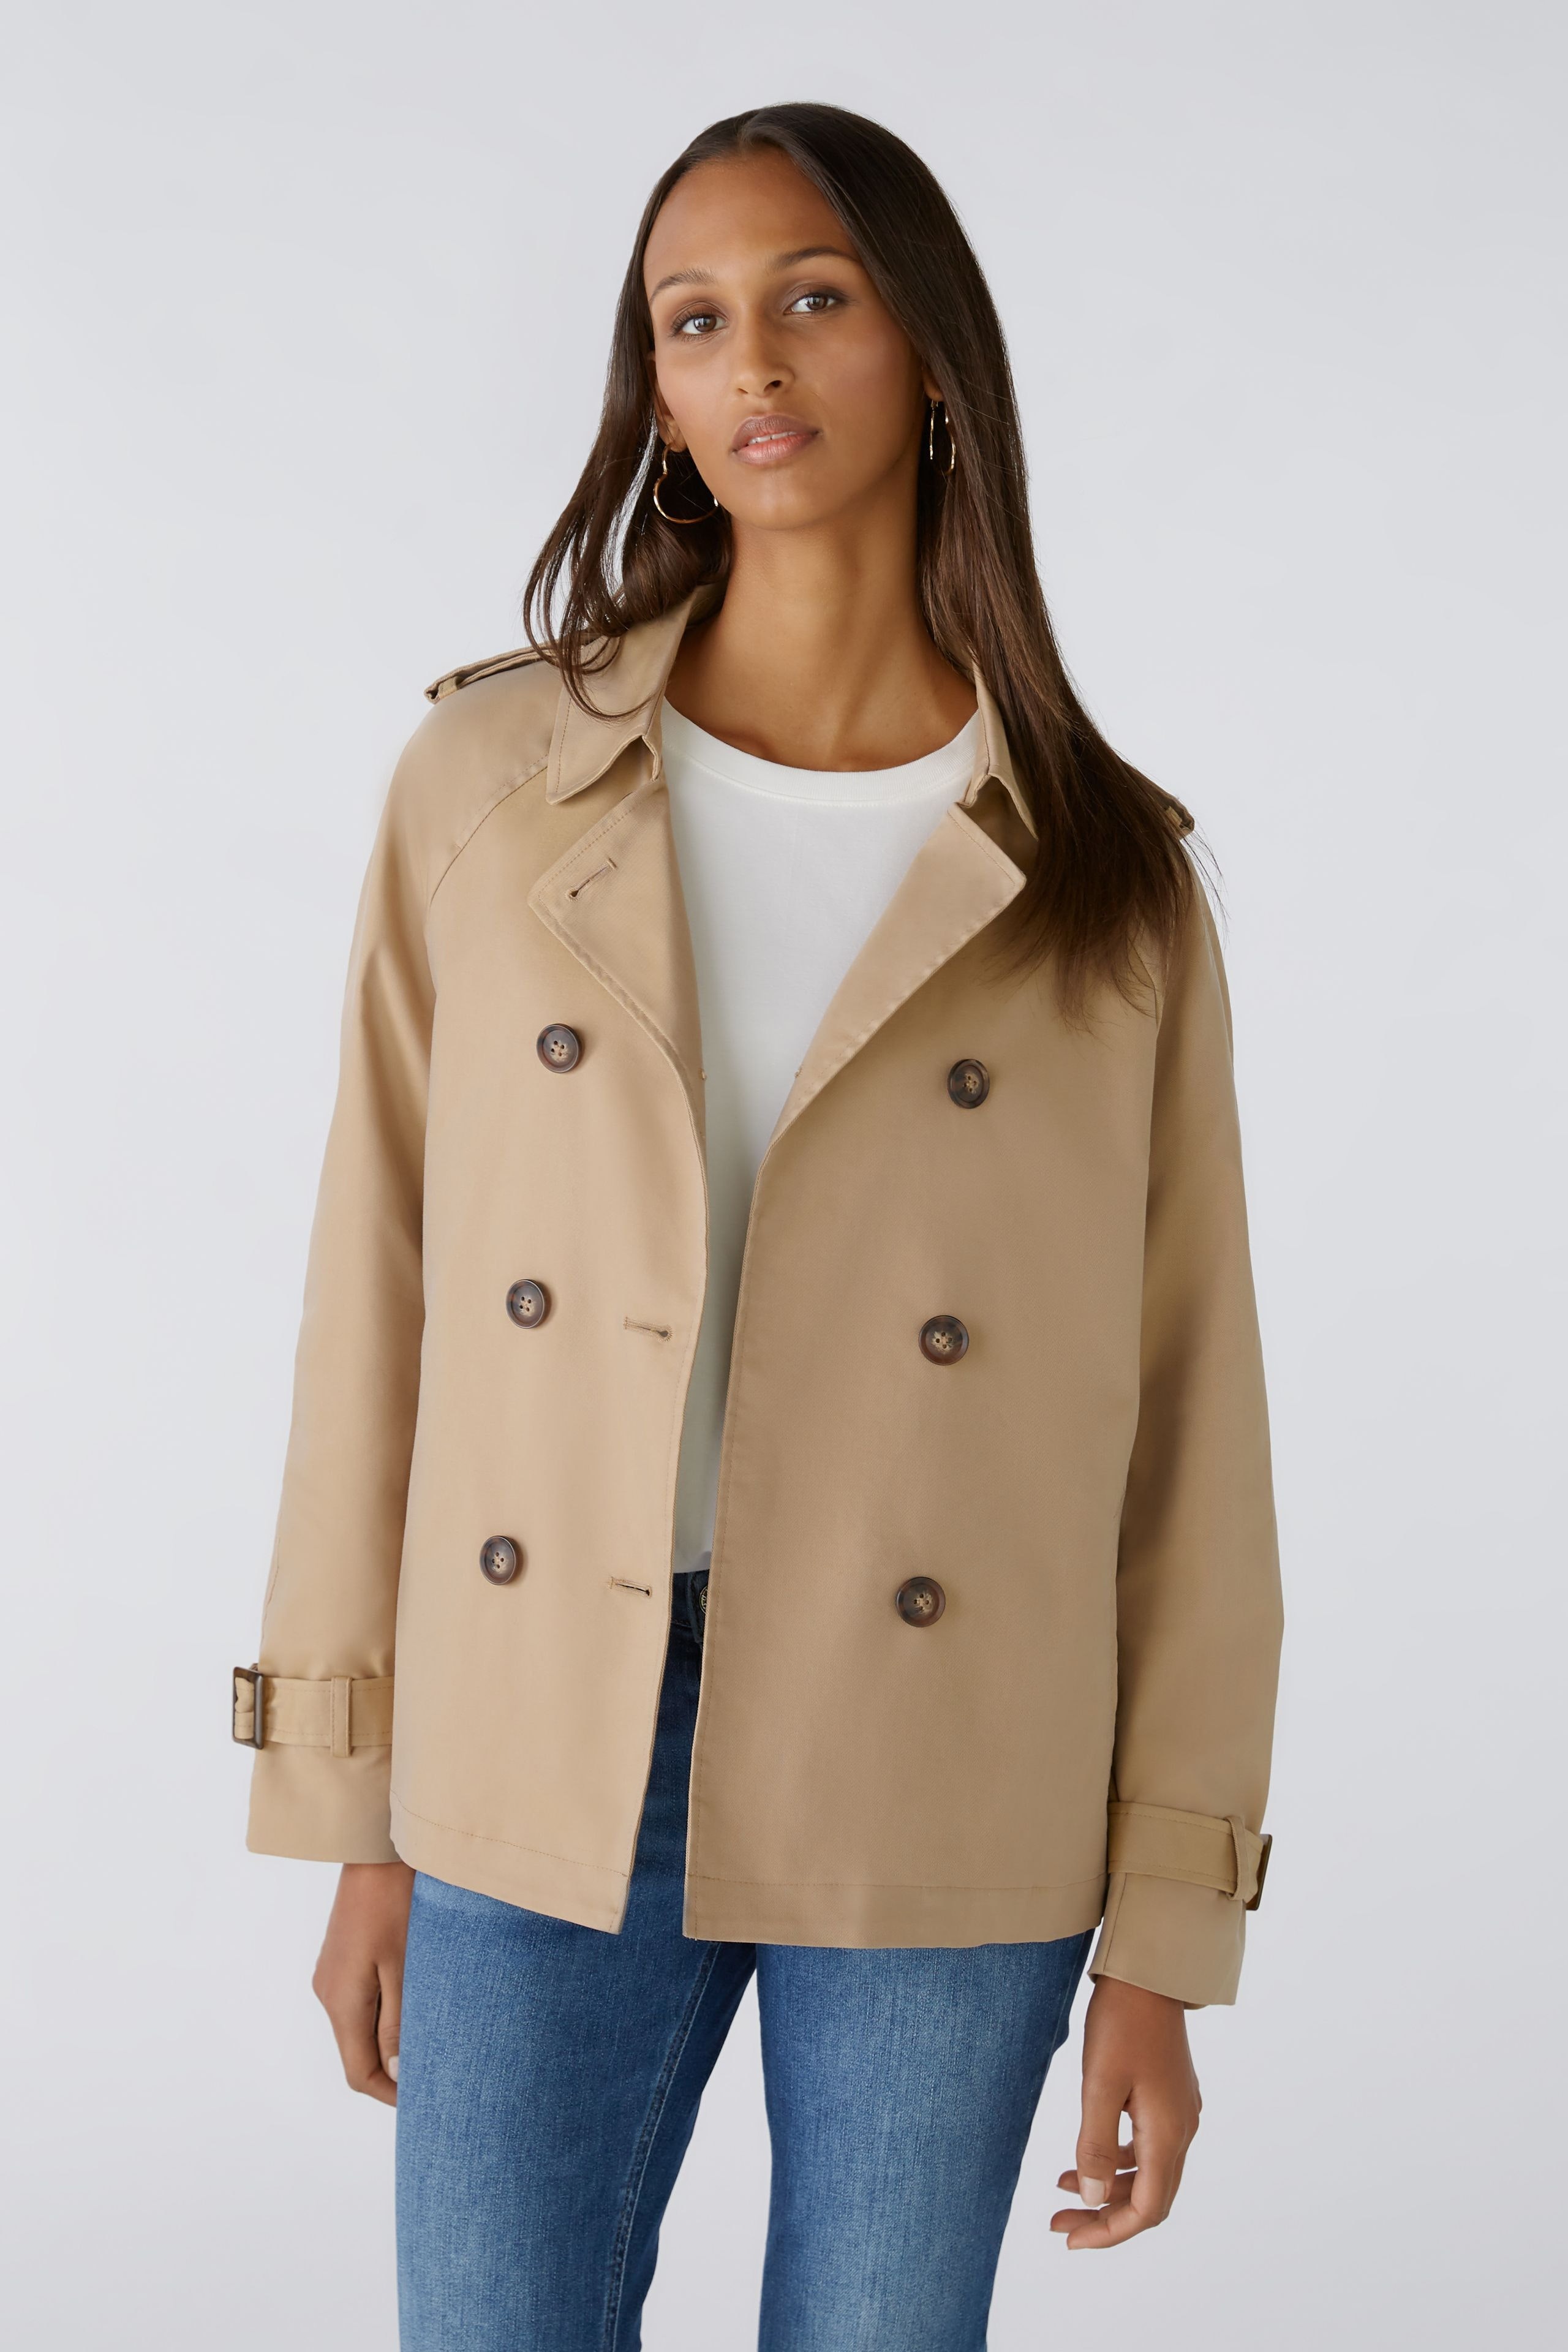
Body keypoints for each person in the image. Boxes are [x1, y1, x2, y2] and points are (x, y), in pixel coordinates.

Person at [236, 101, 1282, 2351]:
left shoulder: (1103, 871)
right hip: (547, 1711)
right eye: (691, 320)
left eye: (814, 297)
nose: (753, 364)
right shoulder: (492, 787)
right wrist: (357, 1806)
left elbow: (1196, 1426)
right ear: (655, 387)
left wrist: (1167, 1940)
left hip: (949, 1749)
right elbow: (378, 1298)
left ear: (933, 354)